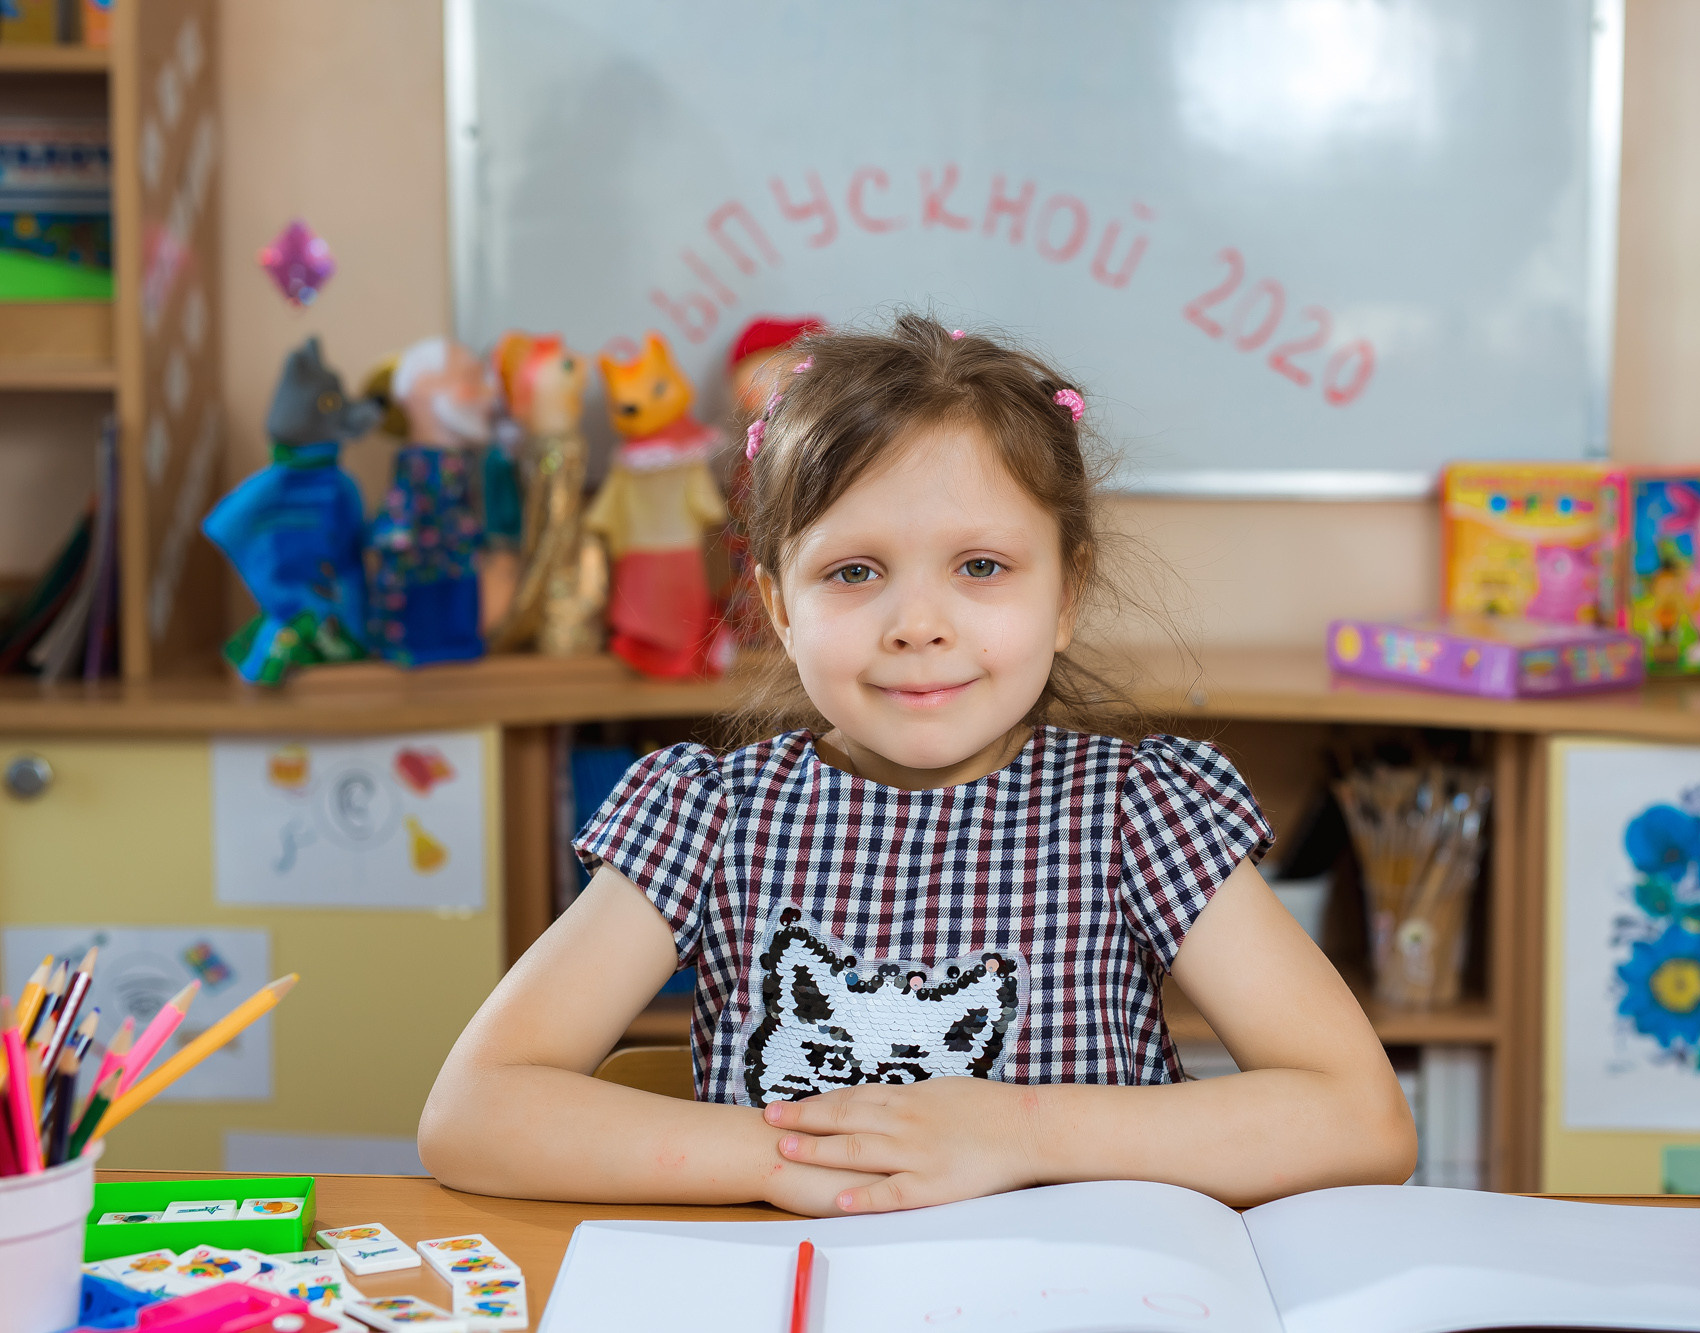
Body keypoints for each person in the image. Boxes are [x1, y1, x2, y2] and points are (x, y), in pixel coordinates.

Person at [420, 315, 1417, 1216]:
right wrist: (793, 1158)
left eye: (979, 566)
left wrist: (1016, 1131)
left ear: (1064, 594)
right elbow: (474, 1111)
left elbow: (1359, 1122)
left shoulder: (1134, 811)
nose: (917, 626)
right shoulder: (710, 817)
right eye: (852, 572)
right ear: (777, 605)